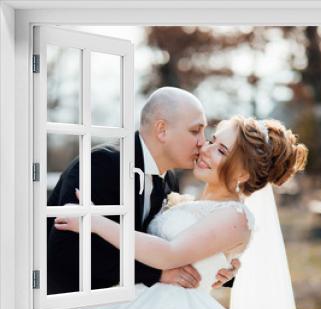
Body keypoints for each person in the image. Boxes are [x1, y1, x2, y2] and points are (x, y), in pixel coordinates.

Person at [54, 116, 308, 309]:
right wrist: (221, 267)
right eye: (212, 140)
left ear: (244, 174)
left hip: (170, 307)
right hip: (138, 298)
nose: (205, 149)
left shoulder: (235, 216)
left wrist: (96, 222)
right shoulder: (182, 194)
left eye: (221, 151)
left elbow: (169, 255)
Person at [47, 87, 239, 296]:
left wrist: (218, 268)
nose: (202, 142)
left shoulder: (169, 180)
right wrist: (155, 273)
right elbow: (65, 253)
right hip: (71, 305)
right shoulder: (101, 166)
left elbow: (166, 248)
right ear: (162, 130)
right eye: (195, 131)